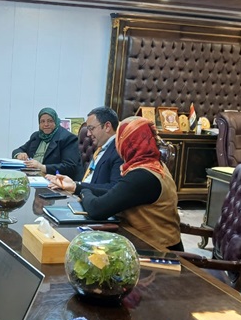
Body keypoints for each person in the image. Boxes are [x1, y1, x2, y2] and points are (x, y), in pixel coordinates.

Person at [71, 116, 183, 251]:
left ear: (126, 142)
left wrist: (84, 192)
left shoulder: (142, 175)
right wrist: (77, 187)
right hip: (150, 242)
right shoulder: (153, 165)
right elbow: (117, 193)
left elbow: (97, 209)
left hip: (156, 251)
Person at [46, 106, 123, 193]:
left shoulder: (119, 151)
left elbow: (113, 189)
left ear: (107, 126)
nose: (88, 134)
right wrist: (71, 183)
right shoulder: (101, 148)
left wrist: (76, 186)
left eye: (91, 128)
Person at [12, 107, 84, 180]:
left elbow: (69, 167)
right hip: (32, 176)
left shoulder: (67, 138)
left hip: (55, 180)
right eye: (42, 121)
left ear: (56, 121)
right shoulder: (36, 136)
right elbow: (17, 150)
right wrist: (19, 154)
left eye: (50, 121)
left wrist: (42, 167)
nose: (46, 124)